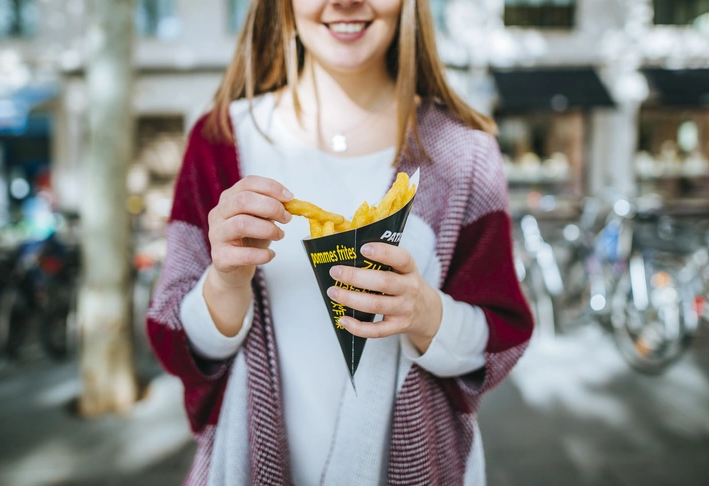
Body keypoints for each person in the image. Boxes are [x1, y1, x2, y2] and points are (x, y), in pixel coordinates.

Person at [147, 0, 534, 484]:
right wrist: (226, 280)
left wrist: (424, 312)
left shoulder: (465, 150)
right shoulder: (220, 141)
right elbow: (173, 339)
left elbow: (502, 337)